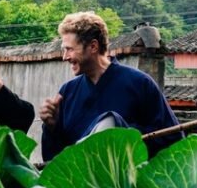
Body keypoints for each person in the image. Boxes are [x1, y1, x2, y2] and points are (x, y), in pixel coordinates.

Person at [40, 12, 182, 161]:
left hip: (128, 180)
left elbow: (172, 139)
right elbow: (53, 160)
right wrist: (51, 128)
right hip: (83, 183)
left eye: (69, 49)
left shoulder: (139, 83)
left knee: (110, 120)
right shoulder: (67, 92)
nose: (65, 57)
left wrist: (121, 136)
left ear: (93, 46)